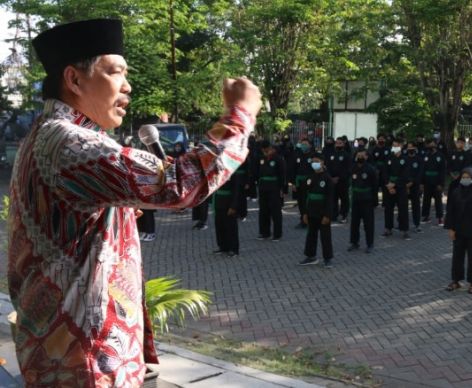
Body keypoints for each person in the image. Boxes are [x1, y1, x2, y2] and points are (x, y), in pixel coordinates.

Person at [8, 19, 261, 386]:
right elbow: (179, 184)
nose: (127, 87)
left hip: (66, 356)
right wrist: (241, 115)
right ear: (74, 80)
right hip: (86, 365)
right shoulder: (70, 143)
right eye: (116, 72)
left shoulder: (44, 136)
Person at [445, 168, 472, 293]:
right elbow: (450, 212)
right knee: (457, 257)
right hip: (458, 231)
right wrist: (451, 229)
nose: (465, 179)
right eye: (463, 177)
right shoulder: (456, 193)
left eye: (468, 177)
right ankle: (456, 281)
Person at [299, 153, 335, 268]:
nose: (314, 163)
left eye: (317, 161)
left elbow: (330, 199)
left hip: (323, 212)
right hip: (311, 211)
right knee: (311, 234)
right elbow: (304, 196)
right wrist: (304, 213)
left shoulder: (327, 178)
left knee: (325, 236)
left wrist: (328, 215)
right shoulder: (310, 178)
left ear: (322, 162)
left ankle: (328, 258)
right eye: (313, 161)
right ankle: (310, 256)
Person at [348, 149, 378, 254]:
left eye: (362, 155)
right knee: (354, 222)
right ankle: (354, 242)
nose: (359, 157)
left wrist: (375, 201)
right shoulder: (353, 168)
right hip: (356, 198)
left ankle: (370, 244)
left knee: (368, 223)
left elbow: (375, 186)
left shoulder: (370, 169)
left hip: (367, 199)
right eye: (358, 155)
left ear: (366, 157)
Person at [256, 140, 286, 240]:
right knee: (263, 210)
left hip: (274, 187)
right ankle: (265, 232)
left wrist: (282, 189)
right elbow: (258, 172)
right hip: (263, 187)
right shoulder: (262, 158)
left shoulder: (278, 158)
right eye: (263, 150)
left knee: (275, 211)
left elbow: (282, 175)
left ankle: (277, 234)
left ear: (271, 148)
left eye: (267, 149)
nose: (265, 152)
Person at [382, 139, 411, 240]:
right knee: (388, 208)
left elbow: (405, 175)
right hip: (389, 188)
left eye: (396, 145)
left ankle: (404, 230)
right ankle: (388, 228)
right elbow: (384, 173)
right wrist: (388, 185)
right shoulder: (388, 158)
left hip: (400, 187)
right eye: (393, 145)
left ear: (401, 146)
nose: (394, 147)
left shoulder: (405, 159)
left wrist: (394, 184)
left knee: (403, 209)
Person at [213, 174, 240, 257]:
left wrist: (233, 206)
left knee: (231, 226)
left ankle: (233, 249)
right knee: (220, 225)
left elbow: (236, 190)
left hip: (228, 203)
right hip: (218, 201)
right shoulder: (217, 171)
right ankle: (223, 246)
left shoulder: (232, 172)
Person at [421, 139, 446, 225]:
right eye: (428, 145)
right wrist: (422, 183)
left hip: (436, 181)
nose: (430, 146)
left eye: (431, 144)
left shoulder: (440, 156)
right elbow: (423, 170)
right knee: (426, 200)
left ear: (435, 145)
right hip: (427, 181)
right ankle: (425, 216)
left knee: (438, 200)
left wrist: (441, 183)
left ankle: (440, 218)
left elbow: (443, 171)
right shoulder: (425, 155)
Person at [291, 138, 315, 229]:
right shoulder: (297, 155)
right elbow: (293, 170)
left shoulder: (313, 156)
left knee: (308, 202)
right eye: (302, 144)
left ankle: (310, 221)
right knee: (300, 202)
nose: (303, 145)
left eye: (305, 144)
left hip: (309, 182)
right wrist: (293, 183)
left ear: (310, 145)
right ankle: (303, 220)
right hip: (299, 182)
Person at [328, 137, 352, 223]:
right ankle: (334, 215)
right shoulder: (331, 154)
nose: (338, 145)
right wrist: (331, 177)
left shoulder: (347, 155)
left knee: (344, 199)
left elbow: (348, 169)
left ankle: (344, 215)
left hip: (342, 181)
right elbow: (327, 167)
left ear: (344, 144)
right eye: (336, 143)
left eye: (340, 143)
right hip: (332, 181)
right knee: (333, 198)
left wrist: (339, 177)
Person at [405, 142, 424, 232]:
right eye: (408, 147)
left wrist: (412, 182)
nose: (410, 149)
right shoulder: (404, 159)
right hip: (405, 185)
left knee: (416, 206)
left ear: (415, 148)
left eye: (412, 147)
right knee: (403, 206)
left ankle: (417, 224)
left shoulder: (419, 159)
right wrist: (406, 183)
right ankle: (402, 224)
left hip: (415, 185)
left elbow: (420, 173)